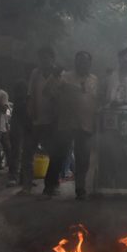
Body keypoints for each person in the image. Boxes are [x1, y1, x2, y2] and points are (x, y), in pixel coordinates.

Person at [43, 51, 98, 200]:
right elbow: (47, 91)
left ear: (90, 63)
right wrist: (53, 76)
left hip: (86, 125)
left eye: (85, 61)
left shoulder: (95, 80)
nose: (82, 63)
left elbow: (97, 102)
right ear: (75, 62)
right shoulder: (65, 77)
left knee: (83, 159)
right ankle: (49, 186)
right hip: (66, 123)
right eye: (79, 60)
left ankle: (80, 189)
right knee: (58, 156)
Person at [20, 46, 58, 194]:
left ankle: (52, 186)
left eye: (47, 57)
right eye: (42, 58)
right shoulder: (35, 73)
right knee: (27, 153)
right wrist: (30, 115)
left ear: (52, 59)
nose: (44, 60)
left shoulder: (59, 74)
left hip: (52, 121)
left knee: (53, 155)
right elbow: (30, 95)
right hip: (35, 120)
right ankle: (27, 185)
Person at [7, 80, 28, 187]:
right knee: (18, 153)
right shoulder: (21, 101)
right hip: (19, 126)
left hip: (23, 126)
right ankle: (15, 177)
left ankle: (21, 178)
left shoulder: (23, 100)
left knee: (22, 153)